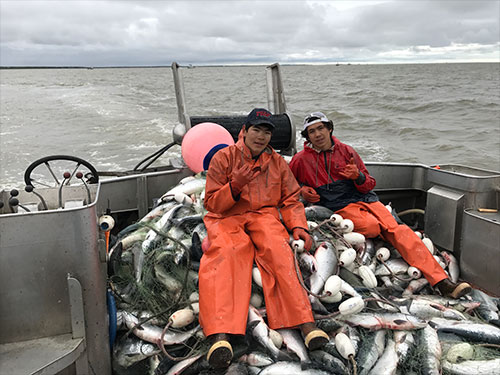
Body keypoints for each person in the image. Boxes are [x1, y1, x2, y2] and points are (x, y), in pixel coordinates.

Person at [289, 111, 471, 299]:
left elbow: (369, 183)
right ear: (307, 136)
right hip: (339, 205)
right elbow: (286, 185)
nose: (317, 134)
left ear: (329, 129)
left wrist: (356, 176)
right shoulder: (300, 160)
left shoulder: (347, 151)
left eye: (321, 128)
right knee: (372, 226)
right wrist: (302, 189)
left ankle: (442, 282)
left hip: (367, 199)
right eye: (312, 131)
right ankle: (392, 240)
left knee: (400, 231)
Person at [198, 108, 329, 369]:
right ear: (244, 131)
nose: (261, 136)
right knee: (226, 255)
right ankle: (220, 335)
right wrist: (235, 185)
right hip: (227, 217)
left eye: (267, 132)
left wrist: (298, 226)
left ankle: (306, 325)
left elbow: (291, 199)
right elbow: (212, 203)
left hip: (264, 216)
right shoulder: (224, 158)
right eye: (256, 130)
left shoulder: (277, 162)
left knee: (280, 252)